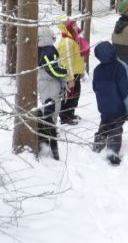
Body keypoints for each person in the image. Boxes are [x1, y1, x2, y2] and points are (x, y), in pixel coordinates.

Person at [92, 40, 128, 165]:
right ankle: (112, 151)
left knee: (105, 123)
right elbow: (127, 90)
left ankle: (98, 143)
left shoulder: (97, 70)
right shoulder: (120, 66)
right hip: (118, 106)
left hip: (103, 106)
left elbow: (94, 87)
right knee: (116, 128)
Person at [37, 26, 68, 160]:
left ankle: (46, 144)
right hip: (50, 84)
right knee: (51, 114)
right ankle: (52, 147)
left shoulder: (41, 48)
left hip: (46, 83)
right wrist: (64, 71)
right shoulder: (48, 49)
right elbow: (53, 69)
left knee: (48, 113)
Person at [56, 18, 87, 125]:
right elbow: (67, 61)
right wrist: (70, 79)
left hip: (75, 73)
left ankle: (70, 113)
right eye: (74, 25)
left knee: (75, 95)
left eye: (76, 24)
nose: (76, 27)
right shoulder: (67, 42)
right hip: (70, 75)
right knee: (68, 97)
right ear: (68, 28)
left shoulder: (72, 39)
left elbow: (77, 58)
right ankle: (65, 117)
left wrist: (81, 71)